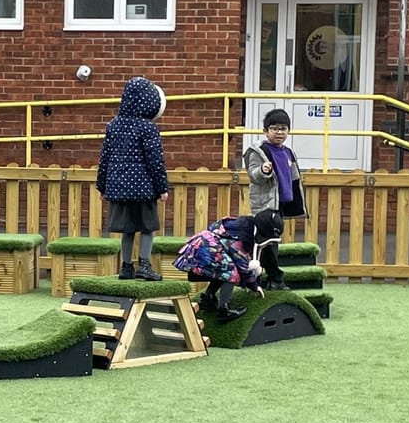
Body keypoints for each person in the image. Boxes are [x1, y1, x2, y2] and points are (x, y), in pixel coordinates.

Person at [96, 76, 169, 281]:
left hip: (118, 188)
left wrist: (101, 186)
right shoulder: (148, 128)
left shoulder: (113, 125)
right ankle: (144, 264)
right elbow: (155, 160)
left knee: (127, 230)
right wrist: (162, 187)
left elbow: (105, 158)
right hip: (144, 189)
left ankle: (126, 267)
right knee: (147, 227)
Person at [172, 209, 283, 322]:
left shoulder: (239, 227)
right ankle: (224, 309)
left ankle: (208, 298)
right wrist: (254, 286)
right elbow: (242, 264)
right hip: (206, 249)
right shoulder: (240, 237)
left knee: (222, 270)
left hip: (203, 247)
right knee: (230, 273)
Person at [242, 108, 308, 290]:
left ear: (288, 131)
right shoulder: (258, 151)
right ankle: (273, 278)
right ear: (266, 131)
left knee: (272, 241)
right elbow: (253, 174)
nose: (279, 132)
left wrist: (295, 202)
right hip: (265, 204)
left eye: (283, 128)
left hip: (280, 204)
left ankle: (269, 278)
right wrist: (263, 171)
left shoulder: (288, 152)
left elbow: (294, 179)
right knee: (267, 242)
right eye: (274, 128)